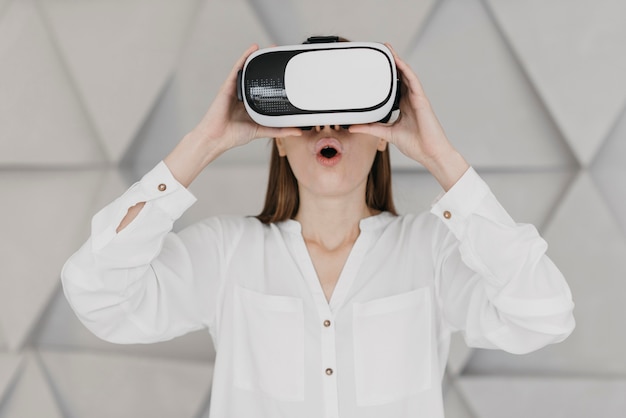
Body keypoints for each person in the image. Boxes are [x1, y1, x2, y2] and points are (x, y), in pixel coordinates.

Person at [61, 40, 575, 417]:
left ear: (382, 136)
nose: (326, 128)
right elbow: (98, 293)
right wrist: (204, 142)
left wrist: (442, 159)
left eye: (347, 114)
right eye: (306, 116)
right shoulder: (226, 253)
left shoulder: (432, 253)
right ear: (278, 140)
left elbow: (543, 316)